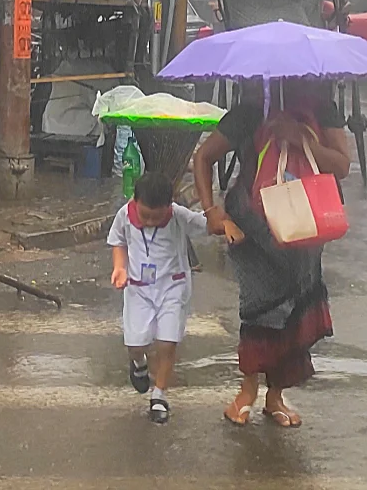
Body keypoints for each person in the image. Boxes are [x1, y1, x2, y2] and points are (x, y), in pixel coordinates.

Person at [193, 79, 352, 428]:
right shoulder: (251, 110)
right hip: (253, 225)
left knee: (296, 305)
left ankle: (275, 395)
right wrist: (211, 212)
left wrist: (303, 139)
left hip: (305, 222)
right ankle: (247, 391)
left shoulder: (322, 109)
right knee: (260, 307)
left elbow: (341, 165)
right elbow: (203, 157)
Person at [108, 172, 209, 424]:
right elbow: (118, 242)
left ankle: (159, 395)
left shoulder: (178, 216)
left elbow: (207, 224)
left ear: (170, 205)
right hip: (138, 288)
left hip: (172, 286)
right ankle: (138, 363)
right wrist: (119, 267)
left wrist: (226, 221)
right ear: (135, 201)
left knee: (168, 342)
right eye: (145, 216)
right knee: (135, 344)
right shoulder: (125, 215)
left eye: (157, 216)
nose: (151, 221)